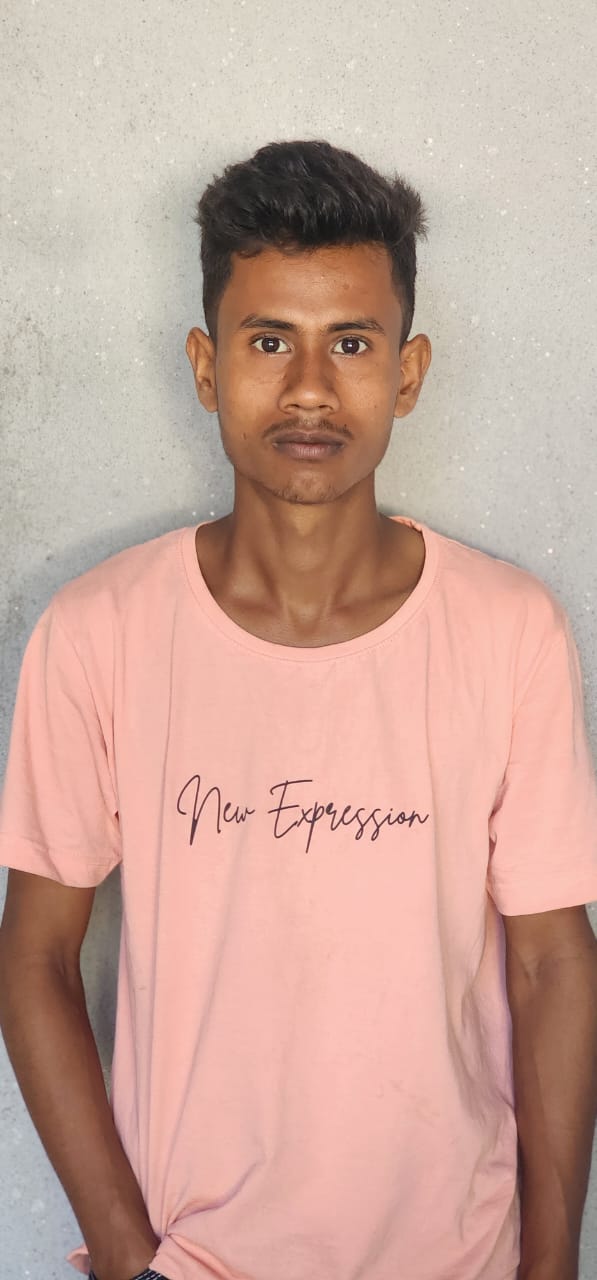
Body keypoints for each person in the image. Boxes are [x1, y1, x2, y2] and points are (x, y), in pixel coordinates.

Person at [0, 138, 596, 1280]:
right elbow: (34, 956)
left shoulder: (510, 630)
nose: (311, 388)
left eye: (352, 344)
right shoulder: (97, 633)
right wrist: (128, 1257)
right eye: (269, 341)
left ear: (408, 374)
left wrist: (552, 1260)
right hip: (193, 1260)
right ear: (206, 365)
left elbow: (552, 965)